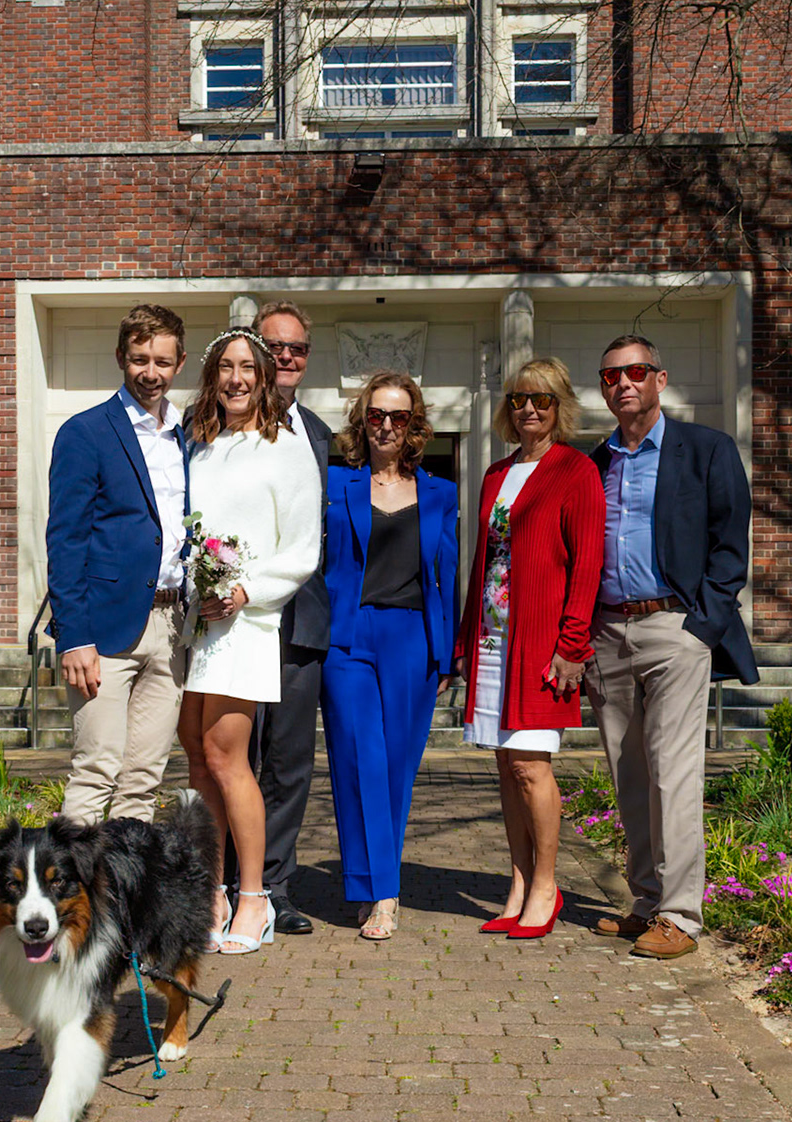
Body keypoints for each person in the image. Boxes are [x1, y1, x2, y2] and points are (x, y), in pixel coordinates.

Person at [585, 334, 757, 961]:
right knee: (627, 774)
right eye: (610, 376)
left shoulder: (706, 450)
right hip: (606, 632)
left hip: (674, 628)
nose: (622, 384)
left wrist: (701, 627)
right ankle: (646, 902)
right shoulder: (594, 462)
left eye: (634, 372)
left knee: (673, 771)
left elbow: (730, 545)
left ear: (660, 378)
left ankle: (681, 917)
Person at [179, 329, 323, 954]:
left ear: (264, 378)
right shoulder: (201, 446)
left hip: (247, 622)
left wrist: (245, 592)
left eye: (247, 368)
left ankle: (256, 898)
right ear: (212, 377)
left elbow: (303, 550)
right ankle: (211, 890)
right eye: (225, 368)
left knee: (228, 757)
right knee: (196, 754)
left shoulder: (286, 448)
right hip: (197, 623)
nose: (236, 379)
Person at [455, 358, 604, 940]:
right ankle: (517, 884)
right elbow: (483, 563)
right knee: (505, 765)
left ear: (559, 406)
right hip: (495, 641)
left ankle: (546, 884)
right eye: (519, 399)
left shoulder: (576, 471)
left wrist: (572, 645)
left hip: (542, 644)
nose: (529, 410)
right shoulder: (496, 474)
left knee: (530, 765)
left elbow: (587, 565)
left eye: (541, 401)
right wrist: (468, 640)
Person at [319, 371, 458, 941]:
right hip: (348, 638)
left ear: (414, 426)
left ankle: (372, 881)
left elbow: (447, 574)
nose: (386, 426)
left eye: (398, 417)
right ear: (363, 420)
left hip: (412, 640)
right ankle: (383, 892)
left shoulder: (441, 493)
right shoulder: (336, 484)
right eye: (376, 414)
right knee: (357, 760)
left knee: (397, 768)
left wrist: (446, 656)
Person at [45, 304, 190, 825]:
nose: (151, 373)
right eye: (139, 359)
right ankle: (64, 908)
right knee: (95, 771)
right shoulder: (85, 433)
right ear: (120, 358)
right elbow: (65, 540)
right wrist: (73, 636)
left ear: (180, 363)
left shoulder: (187, 436)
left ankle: (121, 904)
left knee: (143, 782)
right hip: (104, 631)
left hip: (173, 627)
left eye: (162, 361)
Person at [244, 300, 331, 937]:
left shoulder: (325, 437)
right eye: (274, 346)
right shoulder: (222, 428)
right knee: (235, 757)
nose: (286, 356)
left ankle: (276, 887)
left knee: (290, 763)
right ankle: (230, 884)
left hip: (303, 625)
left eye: (296, 347)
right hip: (239, 623)